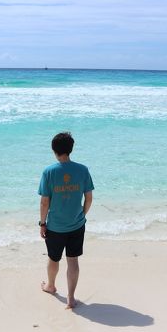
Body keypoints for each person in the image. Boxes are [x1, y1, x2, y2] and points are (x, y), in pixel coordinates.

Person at [38, 132, 94, 309]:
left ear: (54, 150)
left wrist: (42, 223)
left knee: (54, 259)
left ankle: (51, 286)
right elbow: (89, 198)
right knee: (73, 260)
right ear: (71, 149)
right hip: (77, 224)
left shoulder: (49, 172)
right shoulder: (82, 170)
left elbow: (44, 201)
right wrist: (82, 215)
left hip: (55, 226)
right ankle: (71, 297)